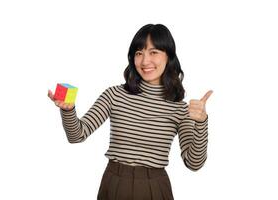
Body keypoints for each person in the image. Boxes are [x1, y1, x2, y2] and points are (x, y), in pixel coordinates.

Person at [48, 24, 213, 200]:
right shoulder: (114, 94)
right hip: (114, 184)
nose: (144, 61)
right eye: (139, 53)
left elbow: (194, 163)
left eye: (153, 52)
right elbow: (77, 136)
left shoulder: (180, 109)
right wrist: (68, 110)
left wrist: (202, 122)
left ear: (169, 56)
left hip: (155, 188)